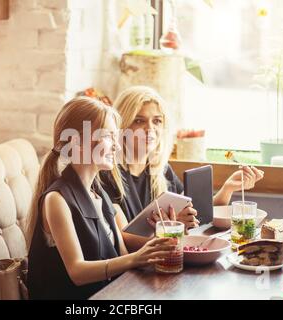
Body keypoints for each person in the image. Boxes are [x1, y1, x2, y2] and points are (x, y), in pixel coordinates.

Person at [27, 97, 176, 299]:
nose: (117, 145)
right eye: (108, 136)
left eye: (117, 137)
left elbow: (123, 257)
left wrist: (151, 253)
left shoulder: (101, 196)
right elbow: (77, 272)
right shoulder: (57, 199)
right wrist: (136, 259)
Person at [100, 86, 264, 251]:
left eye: (157, 121)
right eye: (139, 120)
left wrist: (228, 188)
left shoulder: (162, 171)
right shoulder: (108, 175)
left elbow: (199, 213)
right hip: (139, 268)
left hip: (165, 257)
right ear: (120, 127)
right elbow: (125, 240)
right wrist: (173, 229)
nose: (150, 129)